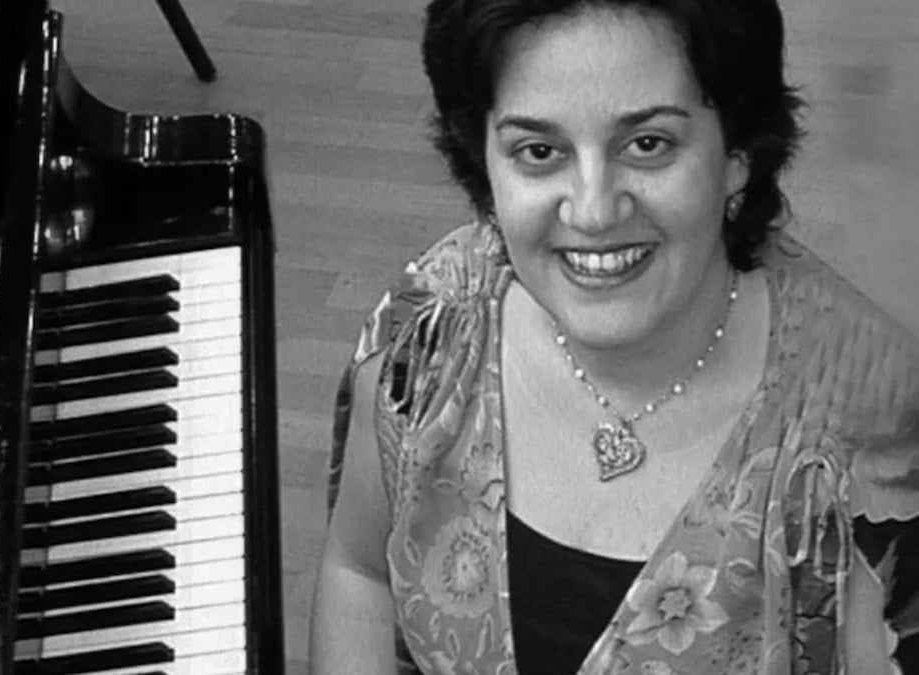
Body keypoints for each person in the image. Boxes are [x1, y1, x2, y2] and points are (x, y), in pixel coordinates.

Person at [309, 0, 919, 672]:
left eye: (648, 144)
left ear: (737, 155)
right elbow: (360, 571)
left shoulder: (880, 438)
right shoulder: (429, 328)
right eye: (540, 152)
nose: (594, 211)